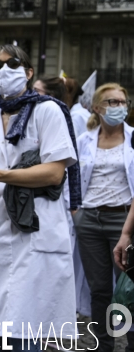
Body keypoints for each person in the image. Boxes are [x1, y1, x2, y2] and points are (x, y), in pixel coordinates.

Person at [0, 44, 80, 352]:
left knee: (25, 334)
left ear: (29, 73)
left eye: (11, 64)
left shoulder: (48, 111)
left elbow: (55, 173)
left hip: (37, 235)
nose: (3, 71)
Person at [74, 83, 134, 352]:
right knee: (99, 289)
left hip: (123, 219)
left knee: (128, 285)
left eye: (122, 102)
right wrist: (76, 211)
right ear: (97, 108)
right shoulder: (84, 139)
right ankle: (103, 345)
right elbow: (71, 177)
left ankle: (130, 340)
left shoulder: (133, 138)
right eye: (112, 102)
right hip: (89, 221)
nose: (119, 107)